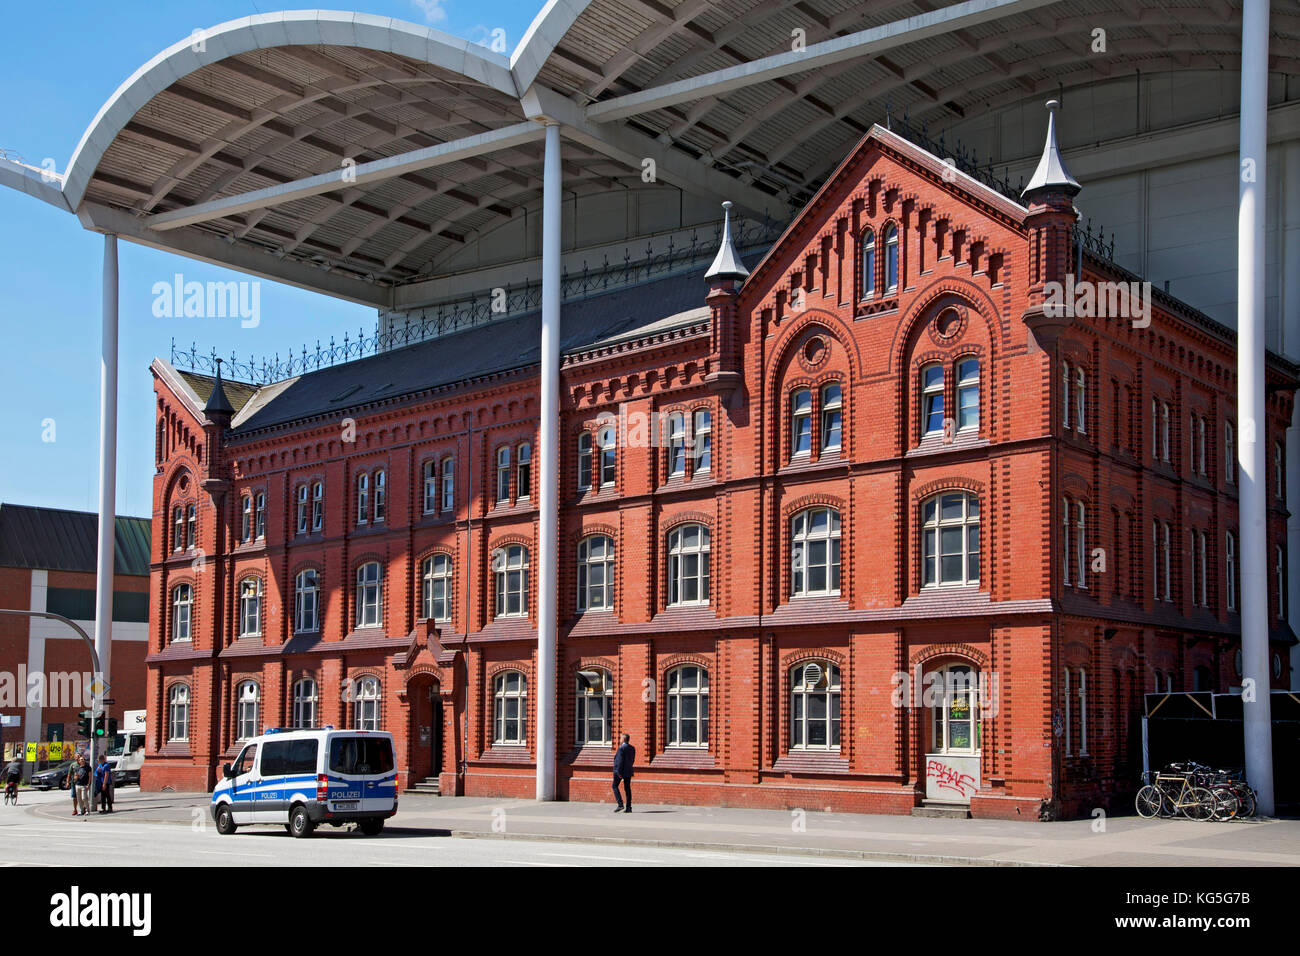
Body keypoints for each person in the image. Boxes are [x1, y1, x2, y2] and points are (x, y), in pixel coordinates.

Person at [612, 733, 635, 813]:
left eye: (621, 738)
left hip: (620, 771)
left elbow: (620, 761)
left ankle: (620, 804)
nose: (620, 739)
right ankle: (629, 807)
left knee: (614, 786)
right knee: (627, 789)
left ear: (623, 739)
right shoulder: (632, 748)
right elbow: (632, 760)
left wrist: (618, 771)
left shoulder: (621, 748)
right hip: (628, 770)